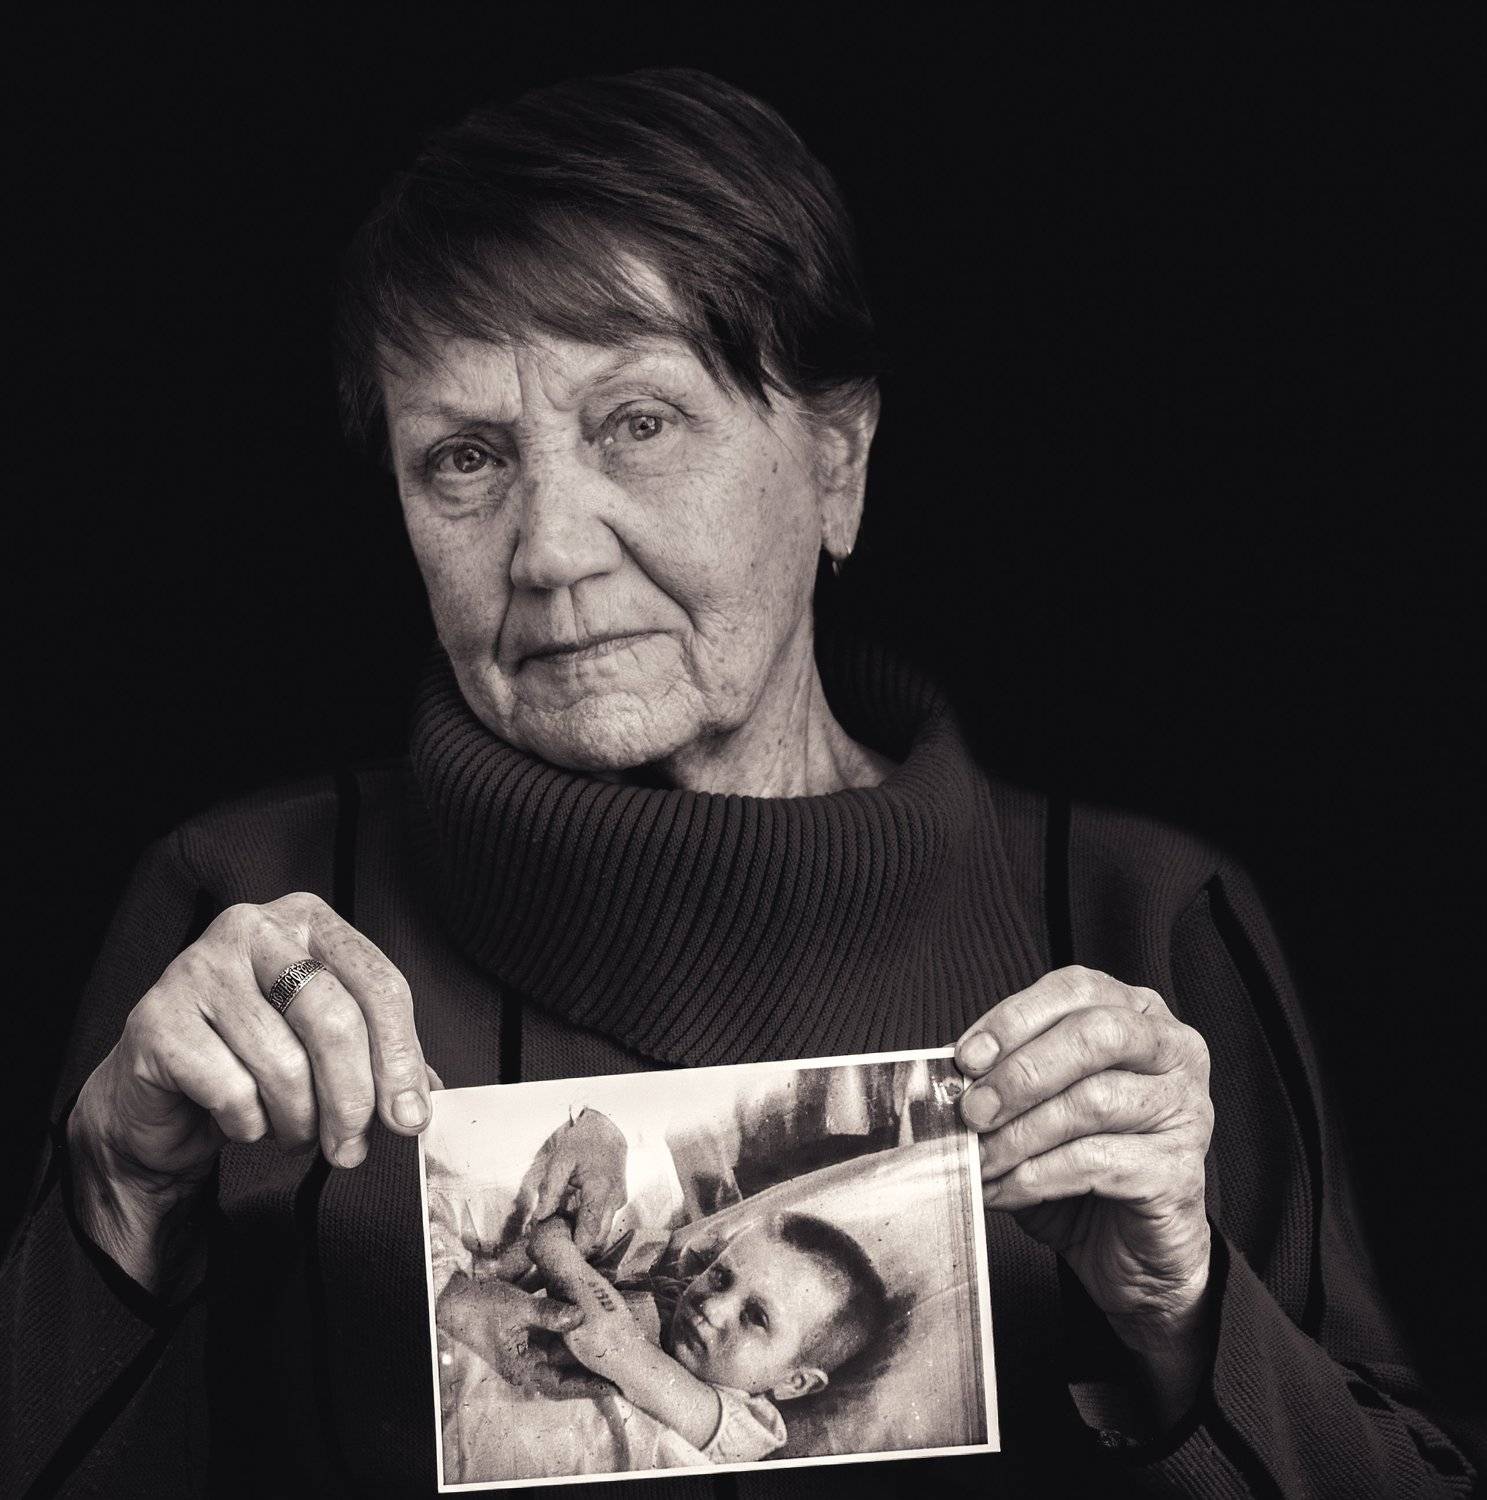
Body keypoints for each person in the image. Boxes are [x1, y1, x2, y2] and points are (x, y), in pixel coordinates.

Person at [1, 66, 1478, 1500]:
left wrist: (1181, 1318)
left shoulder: (1145, 919)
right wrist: (119, 1195)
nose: (550, 550)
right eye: (463, 459)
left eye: (639, 424)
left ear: (837, 461)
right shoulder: (241, 917)